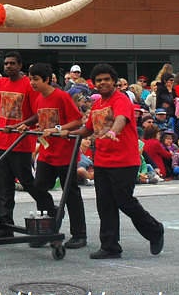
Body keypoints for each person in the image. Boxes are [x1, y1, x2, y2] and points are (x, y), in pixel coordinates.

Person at [68, 63, 164, 260]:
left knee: (124, 201)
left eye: (107, 79)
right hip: (102, 162)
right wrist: (65, 133)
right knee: (105, 204)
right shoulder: (97, 105)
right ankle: (110, 246)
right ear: (94, 84)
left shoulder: (121, 99)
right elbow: (87, 129)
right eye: (99, 80)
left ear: (114, 81)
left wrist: (113, 131)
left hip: (124, 162)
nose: (103, 83)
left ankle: (155, 230)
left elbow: (121, 118)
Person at [0, 48, 45, 239]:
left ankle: (49, 207)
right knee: (2, 187)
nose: (9, 66)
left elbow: (39, 113)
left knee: (27, 182)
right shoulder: (1, 83)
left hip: (21, 144)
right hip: (1, 143)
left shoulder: (29, 85)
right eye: (6, 64)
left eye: (12, 63)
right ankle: (5, 225)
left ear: (20, 65)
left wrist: (22, 124)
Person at [26, 63, 86, 249]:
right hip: (47, 153)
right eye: (30, 79)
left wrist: (57, 129)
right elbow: (41, 119)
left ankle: (79, 234)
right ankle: (48, 226)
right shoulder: (38, 99)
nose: (32, 83)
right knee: (38, 187)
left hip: (65, 153)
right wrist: (29, 125)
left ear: (46, 79)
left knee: (70, 193)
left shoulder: (61, 96)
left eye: (36, 79)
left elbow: (77, 121)